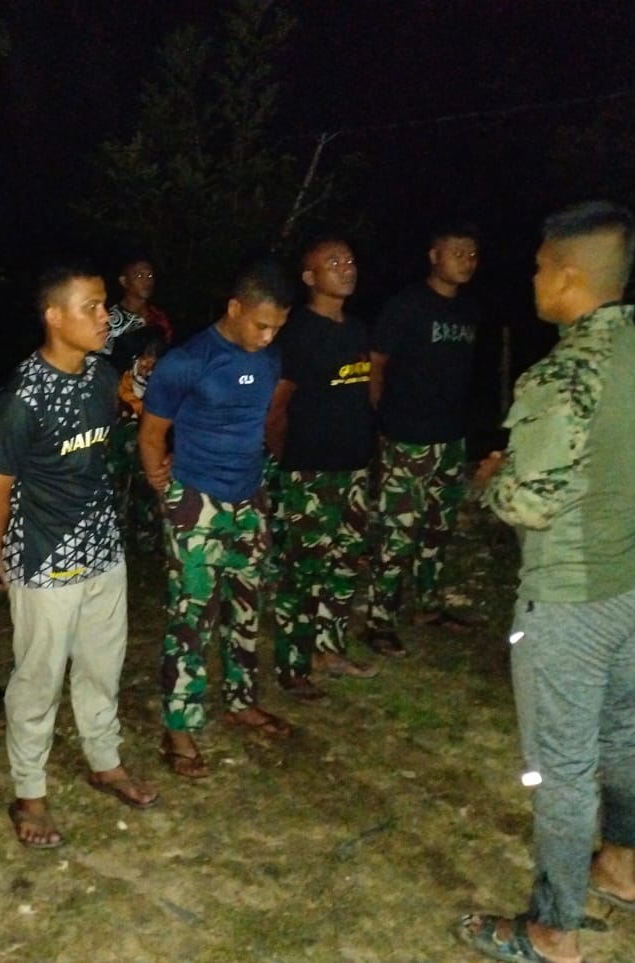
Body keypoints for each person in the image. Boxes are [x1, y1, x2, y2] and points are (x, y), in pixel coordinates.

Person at [459, 202, 635, 963]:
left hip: (574, 598)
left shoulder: (562, 373)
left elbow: (529, 502)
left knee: (562, 768)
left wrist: (492, 481)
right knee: (620, 729)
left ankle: (553, 930)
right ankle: (618, 867)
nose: (532, 280)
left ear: (567, 275)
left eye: (538, 267)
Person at [0, 261, 157, 850]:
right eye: (92, 308)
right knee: (38, 679)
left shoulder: (101, 376)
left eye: (105, 305)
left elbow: (110, 436)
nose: (106, 318)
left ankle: (105, 760)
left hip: (103, 550)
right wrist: (4, 560)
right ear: (54, 317)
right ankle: (30, 792)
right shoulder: (20, 400)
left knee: (103, 665)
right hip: (44, 559)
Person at [138, 259, 294, 779]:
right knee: (192, 615)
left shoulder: (269, 359)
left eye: (277, 328)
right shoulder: (187, 362)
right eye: (261, 325)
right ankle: (178, 727)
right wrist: (164, 486)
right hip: (197, 501)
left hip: (249, 497)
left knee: (247, 606)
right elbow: (151, 433)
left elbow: (261, 420)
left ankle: (242, 699)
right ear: (234, 308)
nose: (267, 337)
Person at [265, 237, 379, 699]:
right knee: (303, 571)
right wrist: (286, 461)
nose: (346, 267)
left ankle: (328, 649)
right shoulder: (298, 333)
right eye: (333, 262)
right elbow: (276, 407)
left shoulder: (356, 329)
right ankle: (293, 663)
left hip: (353, 470)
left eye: (349, 260)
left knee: (345, 565)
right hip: (309, 472)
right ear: (310, 277)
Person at [365, 222, 482, 658]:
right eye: (457, 252)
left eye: (472, 254)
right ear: (435, 256)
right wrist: (379, 421)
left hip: (450, 437)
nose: (466, 261)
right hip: (408, 436)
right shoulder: (407, 305)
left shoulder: (469, 310)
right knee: (398, 531)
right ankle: (379, 620)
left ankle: (428, 606)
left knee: (438, 527)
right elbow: (376, 362)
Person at [109, 326, 168, 553]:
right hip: (118, 454)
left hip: (148, 456)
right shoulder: (116, 381)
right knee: (119, 495)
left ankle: (148, 544)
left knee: (148, 494)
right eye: (144, 357)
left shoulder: (162, 385)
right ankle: (119, 541)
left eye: (154, 358)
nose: (148, 364)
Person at [103, 255, 172, 359]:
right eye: (139, 276)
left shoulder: (158, 316)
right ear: (124, 281)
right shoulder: (110, 320)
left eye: (150, 276)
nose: (147, 281)